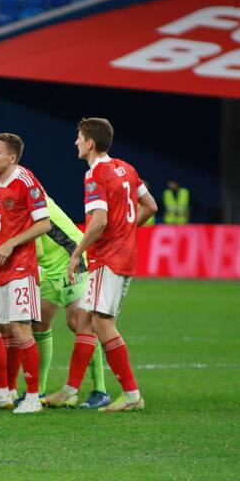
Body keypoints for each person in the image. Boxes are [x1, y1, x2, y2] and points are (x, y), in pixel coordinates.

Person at [66, 117, 157, 412]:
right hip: (125, 254)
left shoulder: (95, 175)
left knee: (103, 324)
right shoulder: (126, 167)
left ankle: (131, 395)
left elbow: (100, 220)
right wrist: (127, 232)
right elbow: (151, 206)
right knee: (86, 319)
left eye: (79, 138)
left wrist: (78, 251)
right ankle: (71, 389)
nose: (76, 142)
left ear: (90, 143)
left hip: (109, 257)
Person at [0, 133, 51, 414]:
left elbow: (44, 224)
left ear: (12, 158)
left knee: (19, 329)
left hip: (20, 268)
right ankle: (1, 392)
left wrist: (12, 242)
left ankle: (32, 397)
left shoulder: (26, 181)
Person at [30, 195, 111, 409]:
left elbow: (34, 247)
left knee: (79, 323)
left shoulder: (27, 196)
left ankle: (100, 391)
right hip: (48, 268)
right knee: (39, 324)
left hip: (71, 259)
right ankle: (38, 391)